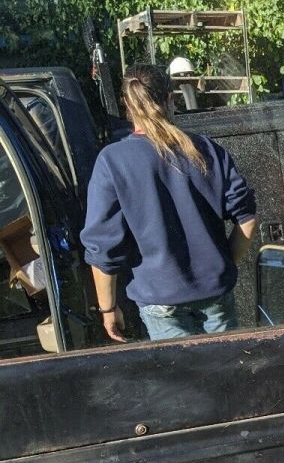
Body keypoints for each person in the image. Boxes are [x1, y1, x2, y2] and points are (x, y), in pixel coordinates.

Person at [81, 64, 257, 342]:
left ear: (126, 104)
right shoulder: (207, 149)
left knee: (186, 384)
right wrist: (222, 265)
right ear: (171, 99)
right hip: (216, 296)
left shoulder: (112, 161)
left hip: (160, 301)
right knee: (226, 380)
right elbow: (247, 220)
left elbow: (102, 250)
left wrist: (109, 309)